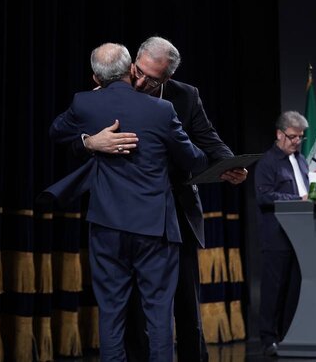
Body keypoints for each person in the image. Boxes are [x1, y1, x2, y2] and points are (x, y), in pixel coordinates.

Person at [78, 36, 247, 361]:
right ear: (132, 63)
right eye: (138, 72)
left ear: (167, 78)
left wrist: (231, 164)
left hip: (175, 213)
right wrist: (89, 141)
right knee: (130, 309)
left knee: (185, 304)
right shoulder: (110, 92)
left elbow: (209, 139)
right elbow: (72, 130)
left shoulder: (185, 96)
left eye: (152, 79)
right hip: (124, 215)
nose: (141, 82)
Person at [49, 42, 208, 361]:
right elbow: (195, 160)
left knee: (111, 313)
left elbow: (56, 132)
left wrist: (89, 141)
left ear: (96, 78)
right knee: (159, 314)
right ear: (131, 69)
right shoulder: (162, 110)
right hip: (155, 231)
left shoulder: (85, 103)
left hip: (107, 228)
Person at [254, 111, 309, 356]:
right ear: (279, 134)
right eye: (292, 136)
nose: (297, 141)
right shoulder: (268, 163)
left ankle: (289, 336)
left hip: (301, 237)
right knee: (273, 290)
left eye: (300, 137)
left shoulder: (302, 161)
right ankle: (269, 339)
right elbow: (264, 196)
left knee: (294, 289)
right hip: (277, 237)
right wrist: (298, 200)